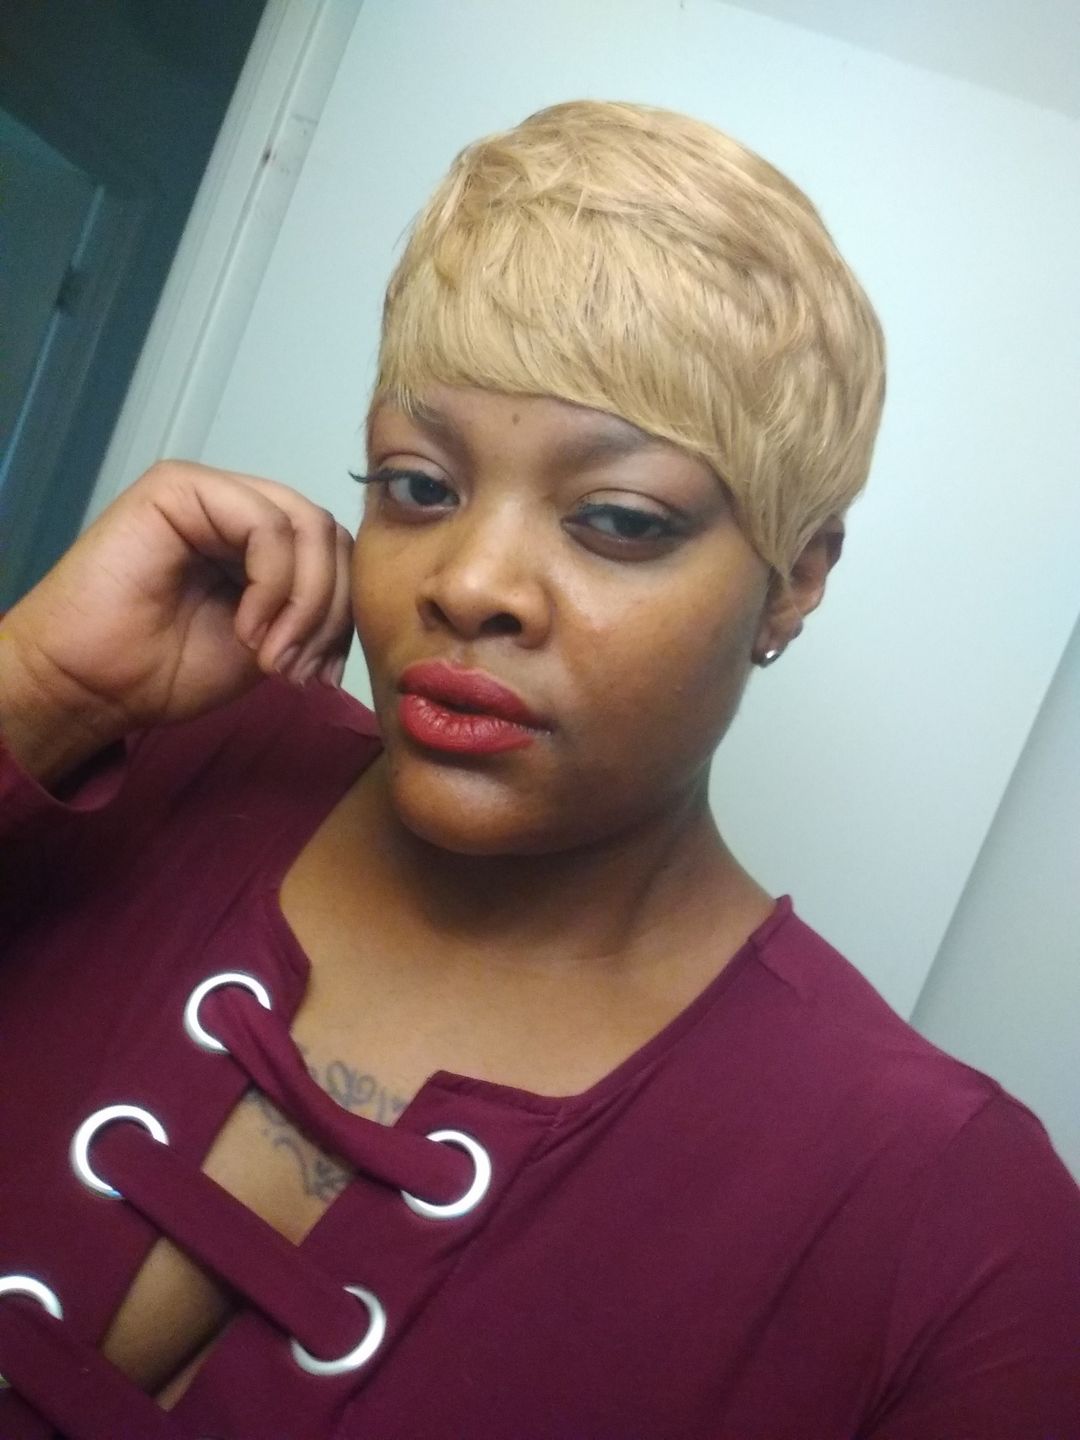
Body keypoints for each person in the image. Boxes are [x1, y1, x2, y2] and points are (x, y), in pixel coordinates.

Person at [0, 99, 1076, 1440]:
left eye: (617, 517)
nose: (470, 584)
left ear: (795, 579)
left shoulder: (953, 1221)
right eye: (418, 486)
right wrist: (33, 689)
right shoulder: (136, 756)